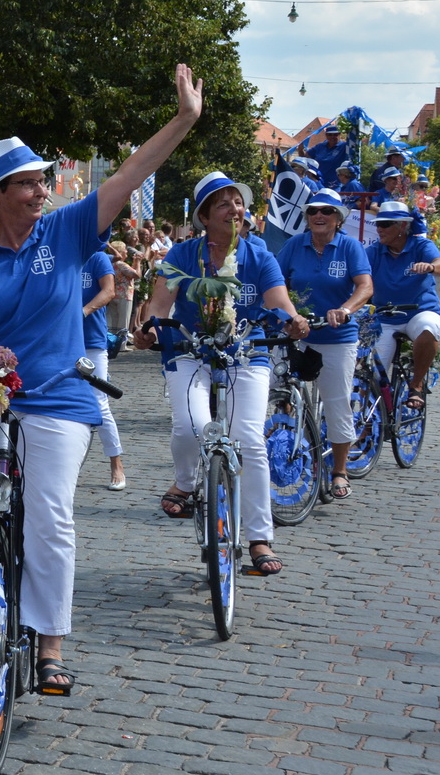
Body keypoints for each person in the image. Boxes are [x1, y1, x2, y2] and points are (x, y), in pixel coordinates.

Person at [0, 65, 208, 703]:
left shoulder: (65, 232)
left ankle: (49, 647)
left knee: (48, 518)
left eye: (42, 181)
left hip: (61, 398)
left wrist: (184, 119)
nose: (41, 191)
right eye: (28, 183)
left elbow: (129, 174)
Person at [133, 172, 310, 578]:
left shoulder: (259, 256)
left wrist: (295, 323)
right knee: (190, 425)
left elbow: (280, 303)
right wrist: (146, 331)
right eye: (223, 203)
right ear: (205, 217)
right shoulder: (181, 255)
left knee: (248, 437)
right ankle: (184, 483)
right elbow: (159, 305)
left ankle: (259, 536)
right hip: (189, 350)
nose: (235, 209)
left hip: (247, 352)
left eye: (238, 202)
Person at [275, 188, 373, 501]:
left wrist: (345, 310)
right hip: (297, 336)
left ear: (338, 218)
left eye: (327, 211)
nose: (319, 215)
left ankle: (340, 471)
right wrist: (287, 316)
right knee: (278, 389)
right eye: (313, 211)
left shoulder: (349, 247)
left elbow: (365, 286)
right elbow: (275, 283)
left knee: (336, 404)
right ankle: (294, 438)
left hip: (336, 338)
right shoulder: (293, 245)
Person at [367, 200, 440, 410]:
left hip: (419, 312)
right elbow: (358, 277)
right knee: (372, 375)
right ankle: (369, 427)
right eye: (378, 224)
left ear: (402, 227)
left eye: (386, 225)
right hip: (385, 318)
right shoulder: (374, 251)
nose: (380, 229)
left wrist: (430, 266)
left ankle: (416, 384)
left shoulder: (421, 246)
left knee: (428, 329)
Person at [81, 246, 125, 491]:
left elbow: (109, 292)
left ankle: (116, 463)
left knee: (99, 404)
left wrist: (84, 311)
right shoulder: (63, 256)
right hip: (63, 341)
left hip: (92, 341)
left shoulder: (96, 257)